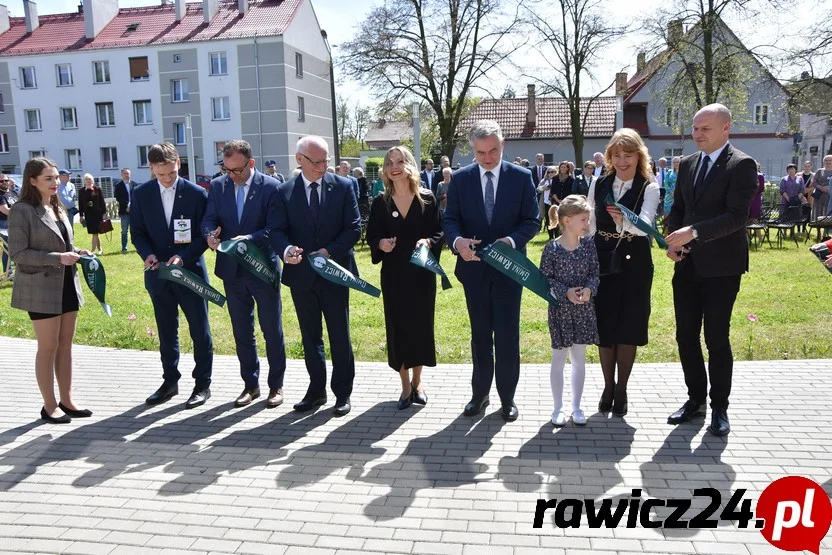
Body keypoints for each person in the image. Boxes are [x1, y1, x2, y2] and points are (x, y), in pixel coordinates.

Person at [665, 103, 758, 437]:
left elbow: (737, 216)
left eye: (705, 128)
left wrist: (694, 232)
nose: (697, 134)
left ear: (725, 128)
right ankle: (695, 400)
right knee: (685, 336)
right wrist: (672, 241)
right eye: (695, 127)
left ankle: (720, 406)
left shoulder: (742, 164)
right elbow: (677, 210)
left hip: (722, 267)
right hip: (687, 265)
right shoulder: (687, 164)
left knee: (716, 338)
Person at [443, 120, 540, 422]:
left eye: (493, 151)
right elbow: (450, 220)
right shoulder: (460, 179)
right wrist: (458, 242)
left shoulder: (521, 177)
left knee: (508, 336)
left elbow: (532, 221)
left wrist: (510, 241)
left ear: (503, 145)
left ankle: (507, 398)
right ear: (472, 150)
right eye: (481, 152)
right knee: (480, 335)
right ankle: (480, 394)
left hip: (510, 270)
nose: (488, 158)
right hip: (473, 272)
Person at [271, 136, 361, 417]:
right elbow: (275, 231)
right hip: (301, 277)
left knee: (339, 336)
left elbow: (354, 228)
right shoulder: (284, 192)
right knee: (310, 337)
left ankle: (342, 393)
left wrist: (328, 251)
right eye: (317, 161)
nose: (323, 166)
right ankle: (316, 390)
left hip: (334, 274)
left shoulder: (344, 187)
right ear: (300, 159)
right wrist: (286, 250)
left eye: (326, 160)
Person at [202, 140, 287, 408]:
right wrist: (210, 235)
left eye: (236, 170)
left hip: (262, 268)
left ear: (251, 163)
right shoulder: (218, 186)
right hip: (232, 270)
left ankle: (276, 386)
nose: (231, 176)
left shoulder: (272, 187)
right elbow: (208, 218)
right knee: (242, 331)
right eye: (226, 170)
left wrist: (247, 239)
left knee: (271, 329)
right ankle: (251, 385)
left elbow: (275, 229)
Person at [8, 158, 93, 423]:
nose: (55, 182)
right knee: (48, 346)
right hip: (40, 287)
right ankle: (49, 405)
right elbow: (18, 254)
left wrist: (78, 252)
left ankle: (67, 400)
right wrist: (58, 257)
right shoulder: (22, 210)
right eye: (48, 178)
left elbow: (65, 241)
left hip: (67, 283)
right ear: (32, 180)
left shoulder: (57, 206)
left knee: (65, 345)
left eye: (56, 177)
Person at [131, 142, 214, 410]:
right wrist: (148, 255)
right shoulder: (141, 194)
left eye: (172, 172)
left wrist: (184, 257)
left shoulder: (196, 194)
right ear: (152, 168)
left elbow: (204, 235)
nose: (167, 179)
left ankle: (202, 384)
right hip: (158, 275)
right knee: (167, 330)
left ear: (178, 164)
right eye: (161, 174)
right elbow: (138, 233)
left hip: (189, 273)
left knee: (199, 330)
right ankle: (170, 382)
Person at [587, 128, 659, 417]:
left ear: (638, 156)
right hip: (603, 258)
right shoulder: (599, 182)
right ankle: (607, 385)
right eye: (616, 155)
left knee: (629, 326)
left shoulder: (649, 186)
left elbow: (645, 225)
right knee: (605, 327)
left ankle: (622, 389)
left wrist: (624, 221)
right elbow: (590, 221)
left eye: (628, 155)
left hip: (635, 263)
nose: (622, 161)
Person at [366, 146, 443, 409]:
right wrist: (382, 244)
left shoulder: (428, 199)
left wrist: (428, 242)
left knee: (420, 328)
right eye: (389, 163)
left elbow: (439, 233)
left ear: (409, 164)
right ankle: (404, 385)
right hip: (394, 276)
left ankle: (418, 382)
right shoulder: (380, 202)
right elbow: (371, 237)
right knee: (398, 330)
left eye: (399, 161)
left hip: (421, 276)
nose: (394, 166)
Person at [540, 196, 599, 427]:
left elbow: (595, 273)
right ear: (567, 221)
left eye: (588, 219)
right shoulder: (551, 249)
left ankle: (576, 406)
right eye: (583, 219)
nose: (587, 224)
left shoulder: (588, 246)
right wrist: (565, 291)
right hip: (560, 311)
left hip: (584, 310)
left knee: (579, 360)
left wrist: (589, 290)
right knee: (559, 358)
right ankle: (558, 407)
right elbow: (544, 278)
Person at [78, 173, 106, 255]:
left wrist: (104, 213)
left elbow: (102, 202)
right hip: (88, 214)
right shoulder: (82, 191)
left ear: (92, 180)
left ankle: (93, 250)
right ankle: (100, 249)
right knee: (95, 232)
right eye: (86, 179)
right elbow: (80, 204)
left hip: (97, 213)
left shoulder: (97, 189)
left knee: (95, 232)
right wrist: (81, 215)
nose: (88, 181)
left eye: (89, 179)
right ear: (84, 181)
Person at [114, 168, 140, 253]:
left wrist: (131, 205)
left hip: (134, 211)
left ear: (130, 174)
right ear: (122, 175)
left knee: (135, 230)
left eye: (128, 173)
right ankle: (124, 247)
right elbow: (118, 198)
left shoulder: (135, 184)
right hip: (124, 211)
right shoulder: (118, 186)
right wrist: (127, 205)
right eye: (125, 173)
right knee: (124, 230)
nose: (126, 175)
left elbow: (137, 197)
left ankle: (137, 246)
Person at [0, 174, 15, 277]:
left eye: (6, 180)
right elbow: (4, 210)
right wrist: (20, 212)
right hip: (4, 225)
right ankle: (8, 273)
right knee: (8, 249)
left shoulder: (13, 193)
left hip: (16, 223)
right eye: (1, 181)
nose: (4, 182)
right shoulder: (0, 195)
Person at [537, 166, 556, 239]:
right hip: (546, 202)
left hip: (555, 202)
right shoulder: (544, 180)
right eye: (549, 172)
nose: (550, 173)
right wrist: (543, 188)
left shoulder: (557, 180)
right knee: (548, 219)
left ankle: (556, 235)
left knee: (556, 218)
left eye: (552, 172)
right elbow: (538, 189)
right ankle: (550, 237)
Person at [812, 155, 832, 221]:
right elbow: (814, 182)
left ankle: (827, 228)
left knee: (828, 212)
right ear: (823, 162)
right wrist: (821, 188)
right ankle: (818, 227)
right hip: (819, 195)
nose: (828, 162)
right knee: (818, 211)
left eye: (830, 160)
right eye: (826, 160)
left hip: (830, 196)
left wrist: (829, 188)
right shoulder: (819, 171)